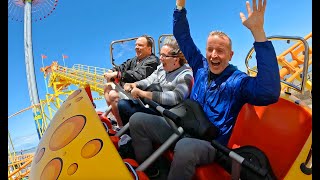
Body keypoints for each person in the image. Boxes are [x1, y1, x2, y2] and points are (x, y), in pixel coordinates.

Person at [129, 0, 281, 179]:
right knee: (137, 119)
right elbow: (182, 35)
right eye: (210, 50)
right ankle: (153, 170)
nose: (214, 55)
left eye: (220, 51)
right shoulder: (200, 66)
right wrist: (179, 6)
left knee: (185, 148)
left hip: (210, 144)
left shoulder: (238, 81)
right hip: (182, 127)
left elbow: (268, 92)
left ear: (231, 55)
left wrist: (258, 33)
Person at [117, 36, 194, 126]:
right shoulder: (161, 68)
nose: (160, 58)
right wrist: (134, 84)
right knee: (123, 104)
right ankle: (129, 137)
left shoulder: (186, 75)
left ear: (176, 59)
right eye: (160, 54)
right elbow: (149, 80)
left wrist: (143, 93)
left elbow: (175, 97)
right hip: (158, 108)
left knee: (134, 115)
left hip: (171, 116)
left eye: (164, 56)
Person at [103, 35, 159, 127]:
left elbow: (139, 75)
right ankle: (119, 123)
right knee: (107, 86)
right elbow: (121, 67)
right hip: (128, 90)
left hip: (140, 94)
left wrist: (118, 74)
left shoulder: (153, 61)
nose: (136, 47)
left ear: (149, 49)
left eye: (140, 45)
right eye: (136, 45)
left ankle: (122, 127)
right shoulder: (134, 60)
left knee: (113, 95)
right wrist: (112, 71)